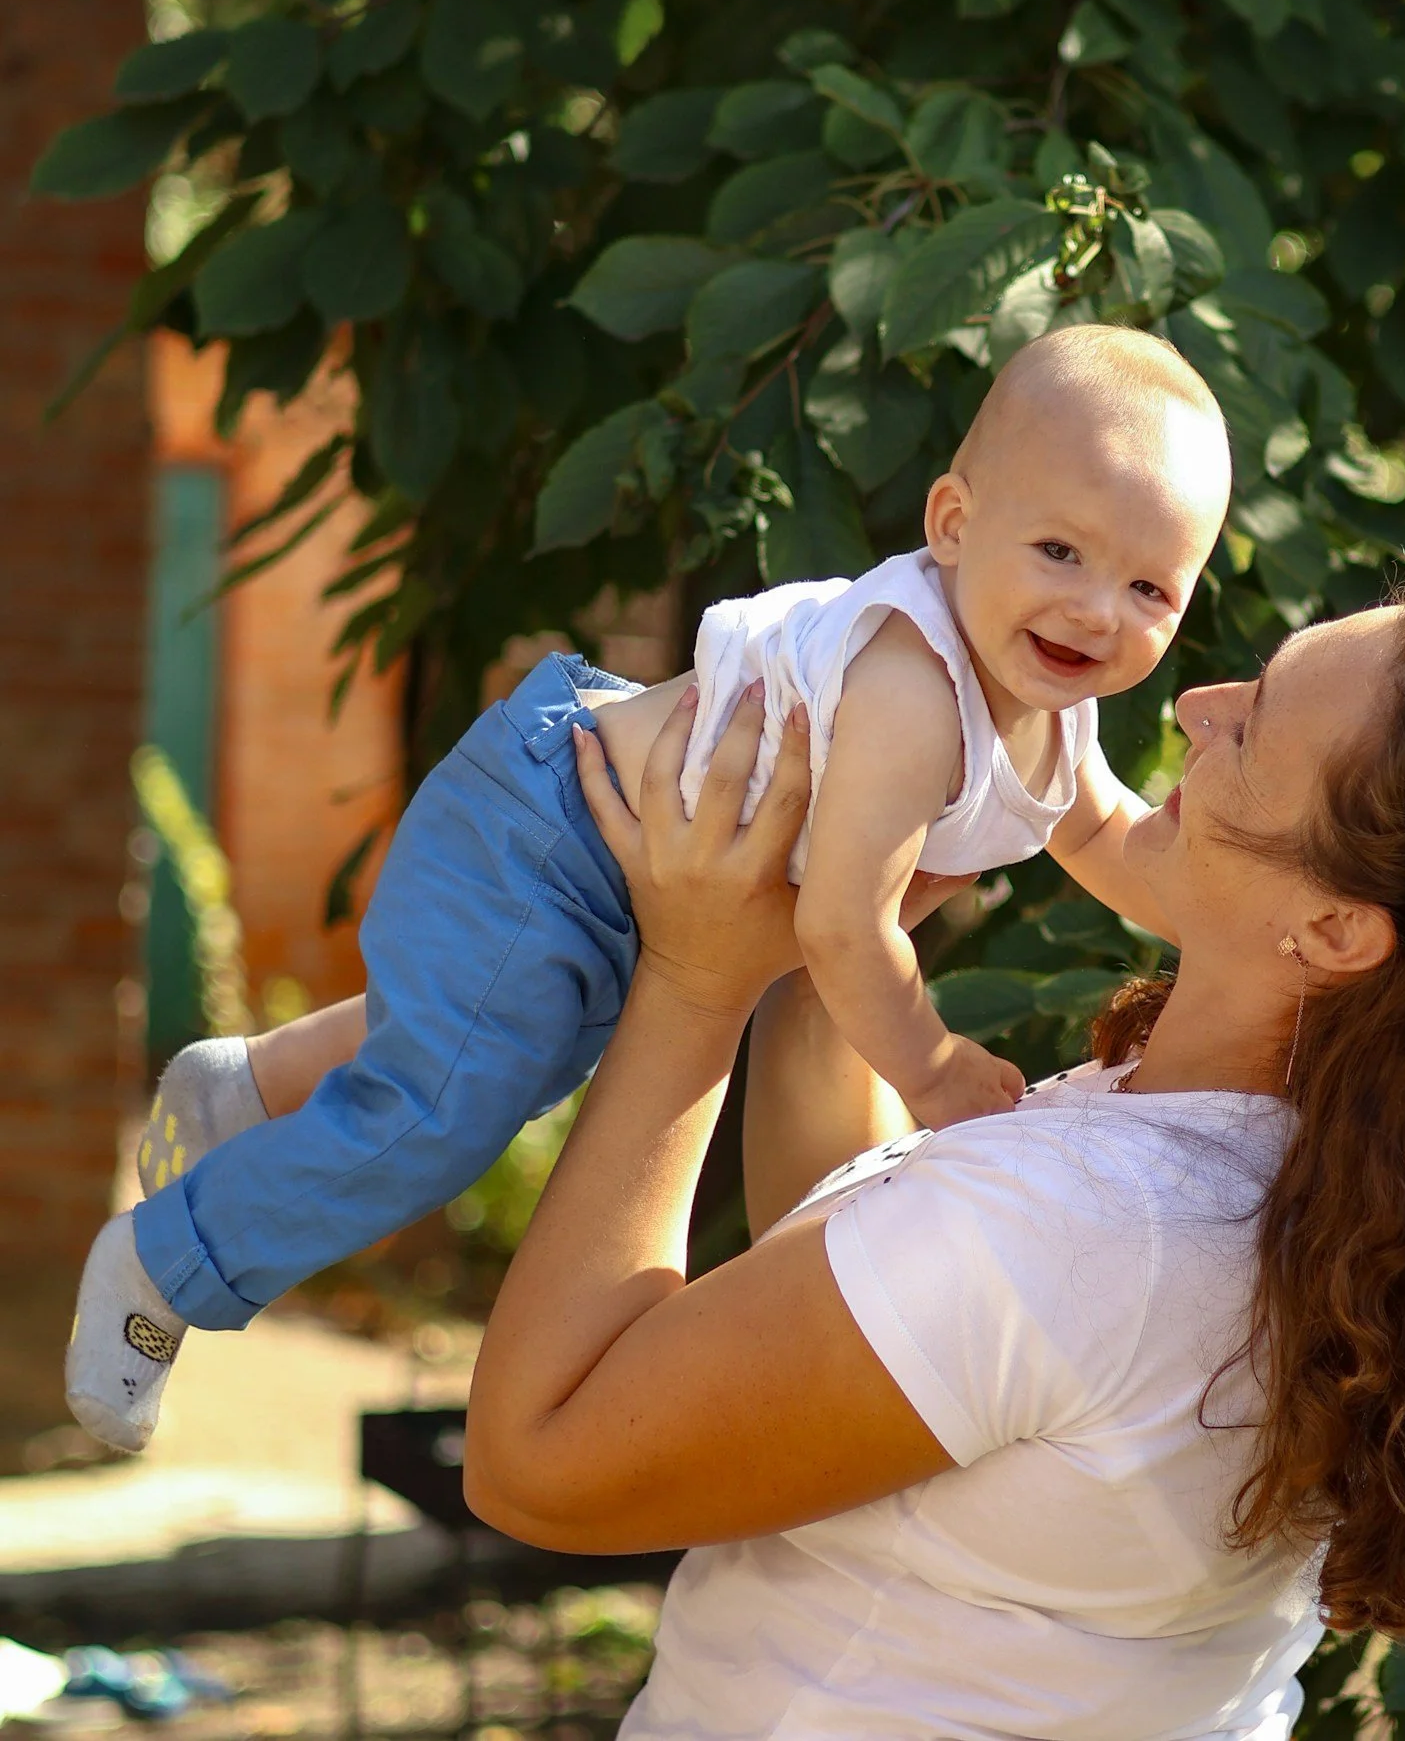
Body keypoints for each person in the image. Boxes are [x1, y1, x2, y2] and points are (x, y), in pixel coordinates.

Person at [462, 568, 1405, 1741]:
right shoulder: (1340, 1201)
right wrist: (834, 954)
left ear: (1331, 929)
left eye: (1253, 724)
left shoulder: (1090, 1227)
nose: (1193, 707)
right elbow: (866, 1339)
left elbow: (539, 1466)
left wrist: (692, 981)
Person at [65, 325, 1234, 1455]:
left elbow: (1114, 839)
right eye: (1060, 553)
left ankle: (250, 1083)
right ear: (952, 522)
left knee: (496, 1048)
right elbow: (839, 927)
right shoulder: (911, 690)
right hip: (553, 825)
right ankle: (163, 1263)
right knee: (443, 1115)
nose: (1097, 609)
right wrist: (927, 1067)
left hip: (625, 859)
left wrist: (1236, 921)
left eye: (1149, 587)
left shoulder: (1052, 711)